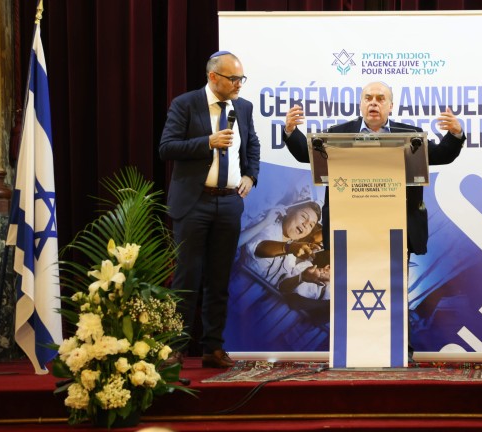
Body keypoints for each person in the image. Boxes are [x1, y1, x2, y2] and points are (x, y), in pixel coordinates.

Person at [281, 81, 465, 361]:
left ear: (391, 106)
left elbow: (441, 155)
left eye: (381, 98)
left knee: (394, 290)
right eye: (368, 97)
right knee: (351, 290)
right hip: (350, 228)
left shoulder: (410, 135)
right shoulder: (338, 134)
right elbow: (305, 155)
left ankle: (400, 350)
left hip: (396, 229)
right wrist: (291, 132)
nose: (374, 103)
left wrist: (455, 135)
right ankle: (354, 349)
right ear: (361, 103)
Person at [159, 50, 261, 368]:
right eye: (233, 79)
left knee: (219, 279)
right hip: (194, 203)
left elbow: (253, 144)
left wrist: (250, 175)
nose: (239, 85)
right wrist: (208, 142)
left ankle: (212, 348)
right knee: (187, 278)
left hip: (229, 203)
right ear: (213, 77)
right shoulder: (185, 104)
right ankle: (175, 348)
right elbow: (167, 147)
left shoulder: (243, 108)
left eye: (241, 78)